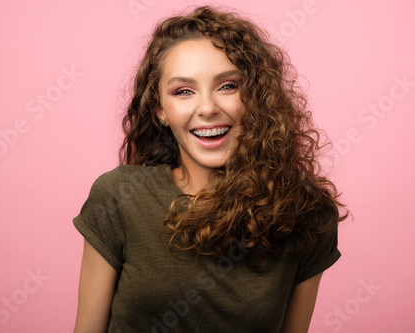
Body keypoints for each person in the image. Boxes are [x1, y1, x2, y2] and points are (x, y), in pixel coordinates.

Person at [72, 5, 347, 333]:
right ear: (160, 110)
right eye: (183, 91)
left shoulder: (309, 214)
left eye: (228, 86)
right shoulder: (118, 198)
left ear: (257, 97)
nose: (207, 108)